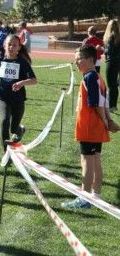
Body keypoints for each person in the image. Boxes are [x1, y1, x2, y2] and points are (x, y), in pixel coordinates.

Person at [61, 45, 120, 209]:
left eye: (79, 59)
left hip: (89, 128)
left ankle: (84, 198)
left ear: (90, 60)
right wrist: (108, 121)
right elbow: (105, 104)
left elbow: (96, 104)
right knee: (95, 160)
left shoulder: (89, 78)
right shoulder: (99, 78)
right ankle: (96, 196)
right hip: (97, 128)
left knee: (86, 162)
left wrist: (107, 122)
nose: (76, 62)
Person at [0, 34, 37, 151]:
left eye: (14, 45)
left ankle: (19, 130)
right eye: (9, 45)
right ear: (4, 46)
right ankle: (6, 152)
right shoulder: (1, 60)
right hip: (3, 98)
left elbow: (34, 80)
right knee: (4, 121)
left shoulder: (23, 62)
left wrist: (21, 83)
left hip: (18, 99)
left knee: (13, 128)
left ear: (19, 48)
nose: (11, 47)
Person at [103, 19, 120, 112]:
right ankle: (113, 105)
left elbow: (109, 52)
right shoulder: (118, 37)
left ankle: (111, 106)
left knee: (111, 85)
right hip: (117, 63)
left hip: (111, 62)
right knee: (114, 85)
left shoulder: (110, 37)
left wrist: (102, 48)